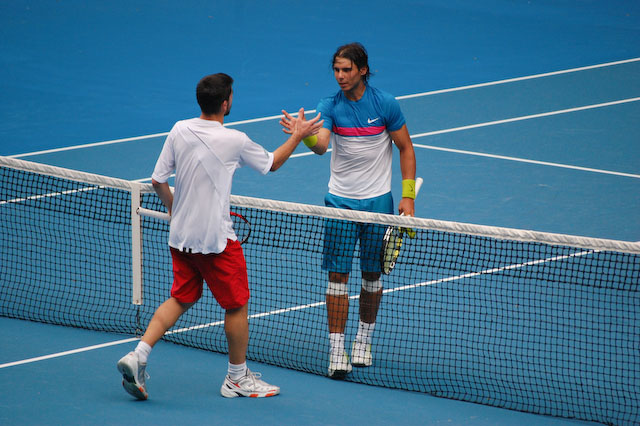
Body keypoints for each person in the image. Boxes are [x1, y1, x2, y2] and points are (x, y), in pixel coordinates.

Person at [117, 73, 322, 399]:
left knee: (182, 297)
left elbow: (157, 181)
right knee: (237, 305)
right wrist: (297, 135)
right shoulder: (235, 140)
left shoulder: (179, 129)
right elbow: (272, 164)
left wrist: (174, 209)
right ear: (226, 103)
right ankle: (236, 378)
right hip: (216, 241)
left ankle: (138, 354)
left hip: (180, 236)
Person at [280, 42, 417, 379]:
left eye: (346, 70)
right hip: (340, 204)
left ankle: (363, 341)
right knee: (337, 277)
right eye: (336, 70)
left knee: (372, 276)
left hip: (378, 205)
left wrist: (408, 197)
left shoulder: (385, 104)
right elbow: (321, 146)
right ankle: (336, 349)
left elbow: (405, 147)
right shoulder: (329, 105)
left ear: (362, 70)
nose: (340, 76)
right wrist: (303, 136)